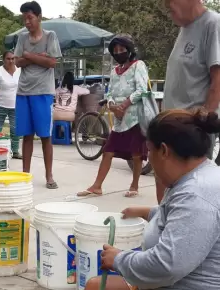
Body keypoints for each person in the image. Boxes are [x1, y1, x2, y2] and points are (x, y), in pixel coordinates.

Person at [86, 108, 220, 290]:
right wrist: (148, 212)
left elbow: (166, 266)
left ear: (164, 150)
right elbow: (179, 216)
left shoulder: (196, 195)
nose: (148, 157)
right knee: (95, 285)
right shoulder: (199, 175)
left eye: (149, 150)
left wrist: (118, 259)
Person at [156, 0, 220, 203]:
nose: (168, 10)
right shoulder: (184, 29)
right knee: (166, 188)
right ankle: (164, 227)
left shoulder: (212, 24)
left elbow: (218, 78)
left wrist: (203, 117)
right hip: (172, 124)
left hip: (190, 128)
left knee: (189, 194)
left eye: (170, 4)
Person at [77, 34, 149, 198]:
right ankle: (97, 186)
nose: (118, 52)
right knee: (108, 151)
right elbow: (110, 93)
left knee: (136, 154)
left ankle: (134, 185)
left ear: (129, 50)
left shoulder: (138, 66)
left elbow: (142, 90)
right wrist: (112, 105)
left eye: (122, 49)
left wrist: (124, 105)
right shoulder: (114, 71)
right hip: (118, 120)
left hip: (134, 118)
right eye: (115, 50)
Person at [14, 1, 62, 189]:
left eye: (30, 18)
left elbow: (51, 62)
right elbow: (17, 62)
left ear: (39, 17)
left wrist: (29, 56)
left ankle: (49, 176)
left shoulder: (50, 36)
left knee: (45, 136)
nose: (27, 22)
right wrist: (38, 57)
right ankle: (26, 175)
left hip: (43, 92)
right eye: (24, 18)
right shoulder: (22, 38)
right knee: (26, 135)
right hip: (23, 91)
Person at [0, 51, 22, 159]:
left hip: (15, 106)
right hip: (0, 105)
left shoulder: (19, 71)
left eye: (13, 58)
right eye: (8, 59)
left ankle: (15, 151)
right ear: (4, 60)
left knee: (15, 130)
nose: (11, 61)